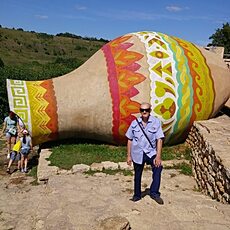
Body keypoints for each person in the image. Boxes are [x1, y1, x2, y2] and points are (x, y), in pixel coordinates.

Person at [125, 102, 165, 204]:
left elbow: (159, 139)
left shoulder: (156, 122)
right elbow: (130, 139)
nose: (144, 112)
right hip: (137, 152)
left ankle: (154, 193)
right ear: (140, 111)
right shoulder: (134, 123)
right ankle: (137, 195)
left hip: (150, 152)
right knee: (137, 174)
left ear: (150, 111)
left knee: (158, 168)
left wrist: (158, 156)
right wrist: (129, 156)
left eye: (146, 110)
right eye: (142, 110)